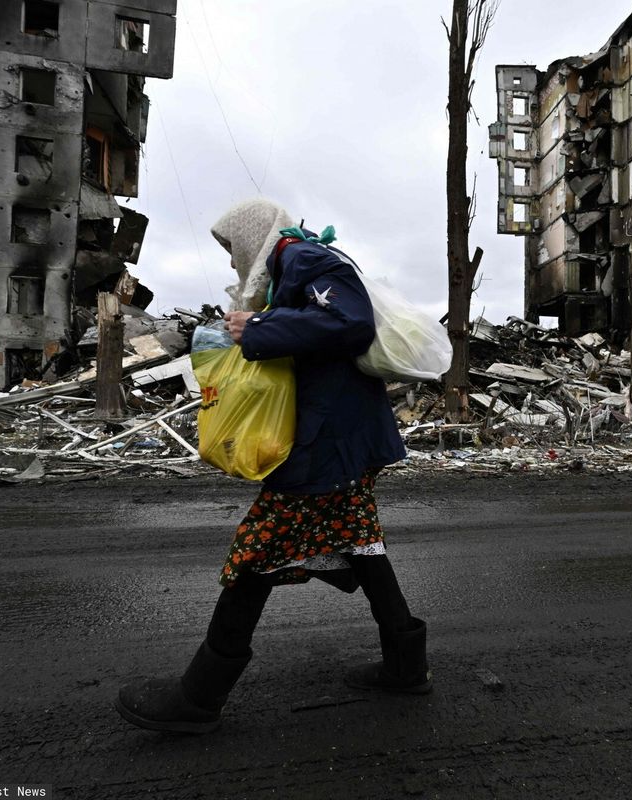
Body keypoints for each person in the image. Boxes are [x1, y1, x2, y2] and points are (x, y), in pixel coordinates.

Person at [115, 199, 430, 735]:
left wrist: (259, 328)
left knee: (257, 551)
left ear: (250, 236)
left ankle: (199, 695)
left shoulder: (302, 258)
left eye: (229, 246)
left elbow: (349, 322)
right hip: (345, 437)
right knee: (362, 543)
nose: (231, 258)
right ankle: (406, 665)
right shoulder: (299, 261)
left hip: (326, 442)